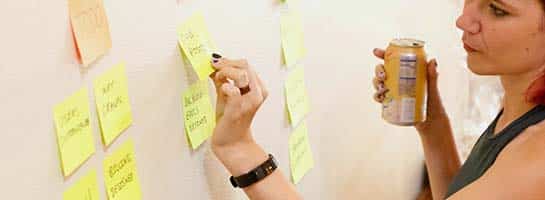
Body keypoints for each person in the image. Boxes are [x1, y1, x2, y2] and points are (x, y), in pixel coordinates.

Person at [208, 0, 545, 199]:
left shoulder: (536, 155)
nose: (464, 19)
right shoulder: (520, 107)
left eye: (497, 10)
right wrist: (433, 125)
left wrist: (242, 151)